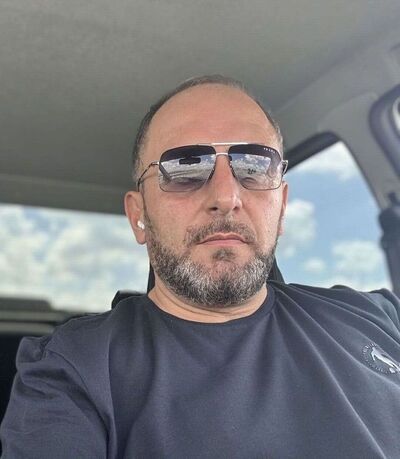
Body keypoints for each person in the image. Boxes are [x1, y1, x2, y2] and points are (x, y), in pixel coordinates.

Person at [1, 75, 400, 458]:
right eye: (184, 167)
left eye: (254, 166)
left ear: (281, 207)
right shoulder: (74, 369)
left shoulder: (377, 315)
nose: (226, 196)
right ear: (138, 216)